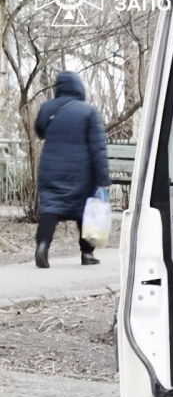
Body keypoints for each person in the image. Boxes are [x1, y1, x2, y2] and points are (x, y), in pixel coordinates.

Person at [34, 71, 110, 268]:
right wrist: (103, 179)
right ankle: (87, 254)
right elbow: (98, 148)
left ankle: (42, 246)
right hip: (80, 172)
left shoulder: (47, 108)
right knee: (83, 211)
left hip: (50, 169)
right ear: (79, 87)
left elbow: (39, 131)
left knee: (50, 208)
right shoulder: (88, 112)